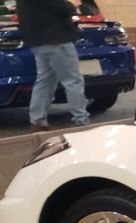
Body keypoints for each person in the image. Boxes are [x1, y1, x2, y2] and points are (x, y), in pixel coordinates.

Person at [17, 0, 90, 131]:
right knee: (73, 81)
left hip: (38, 41)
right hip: (57, 39)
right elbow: (60, 7)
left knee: (45, 81)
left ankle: (38, 121)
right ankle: (81, 120)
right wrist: (72, 3)